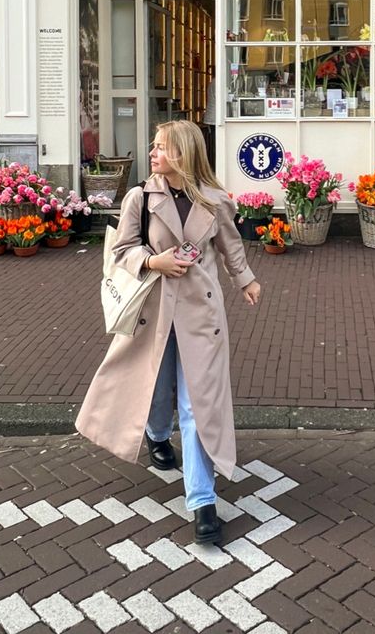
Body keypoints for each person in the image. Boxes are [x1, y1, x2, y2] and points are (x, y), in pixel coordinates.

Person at [76, 120, 261, 545]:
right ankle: (157, 434)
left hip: (201, 317)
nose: (153, 153)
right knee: (156, 387)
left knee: (196, 405)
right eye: (154, 146)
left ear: (183, 153)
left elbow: (231, 247)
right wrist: (153, 262)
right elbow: (123, 251)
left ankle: (202, 502)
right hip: (154, 315)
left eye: (161, 147)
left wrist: (246, 280)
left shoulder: (215, 201)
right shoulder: (141, 198)